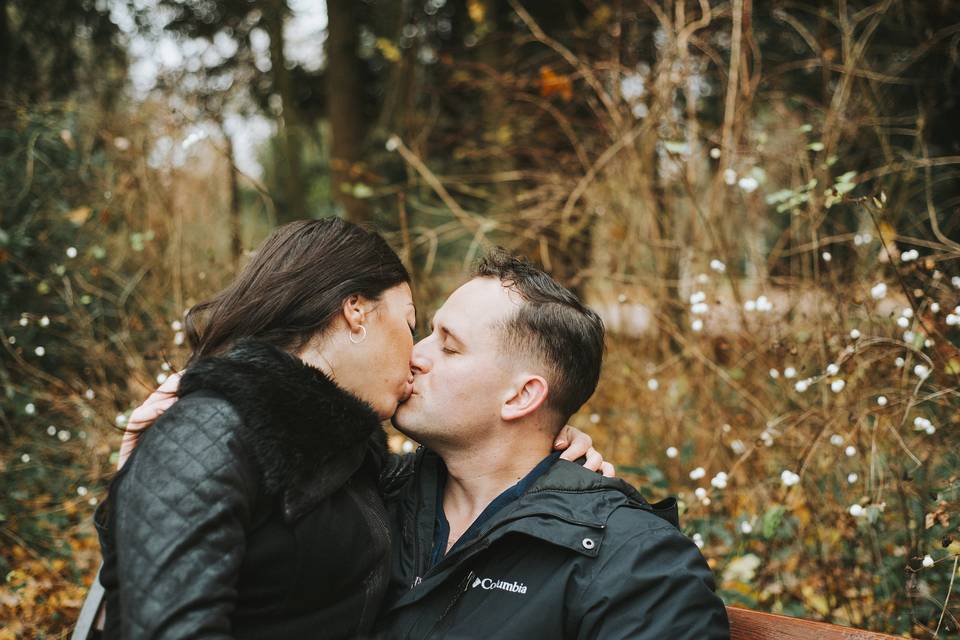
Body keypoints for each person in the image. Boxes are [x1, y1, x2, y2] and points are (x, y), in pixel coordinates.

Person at [92, 218, 602, 640]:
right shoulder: (209, 430)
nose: (416, 353)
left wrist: (544, 455)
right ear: (356, 311)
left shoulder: (347, 458)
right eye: (410, 323)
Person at [376, 251, 730, 639]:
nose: (415, 355)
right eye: (427, 332)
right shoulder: (373, 494)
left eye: (449, 346)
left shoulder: (638, 565)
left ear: (521, 397)